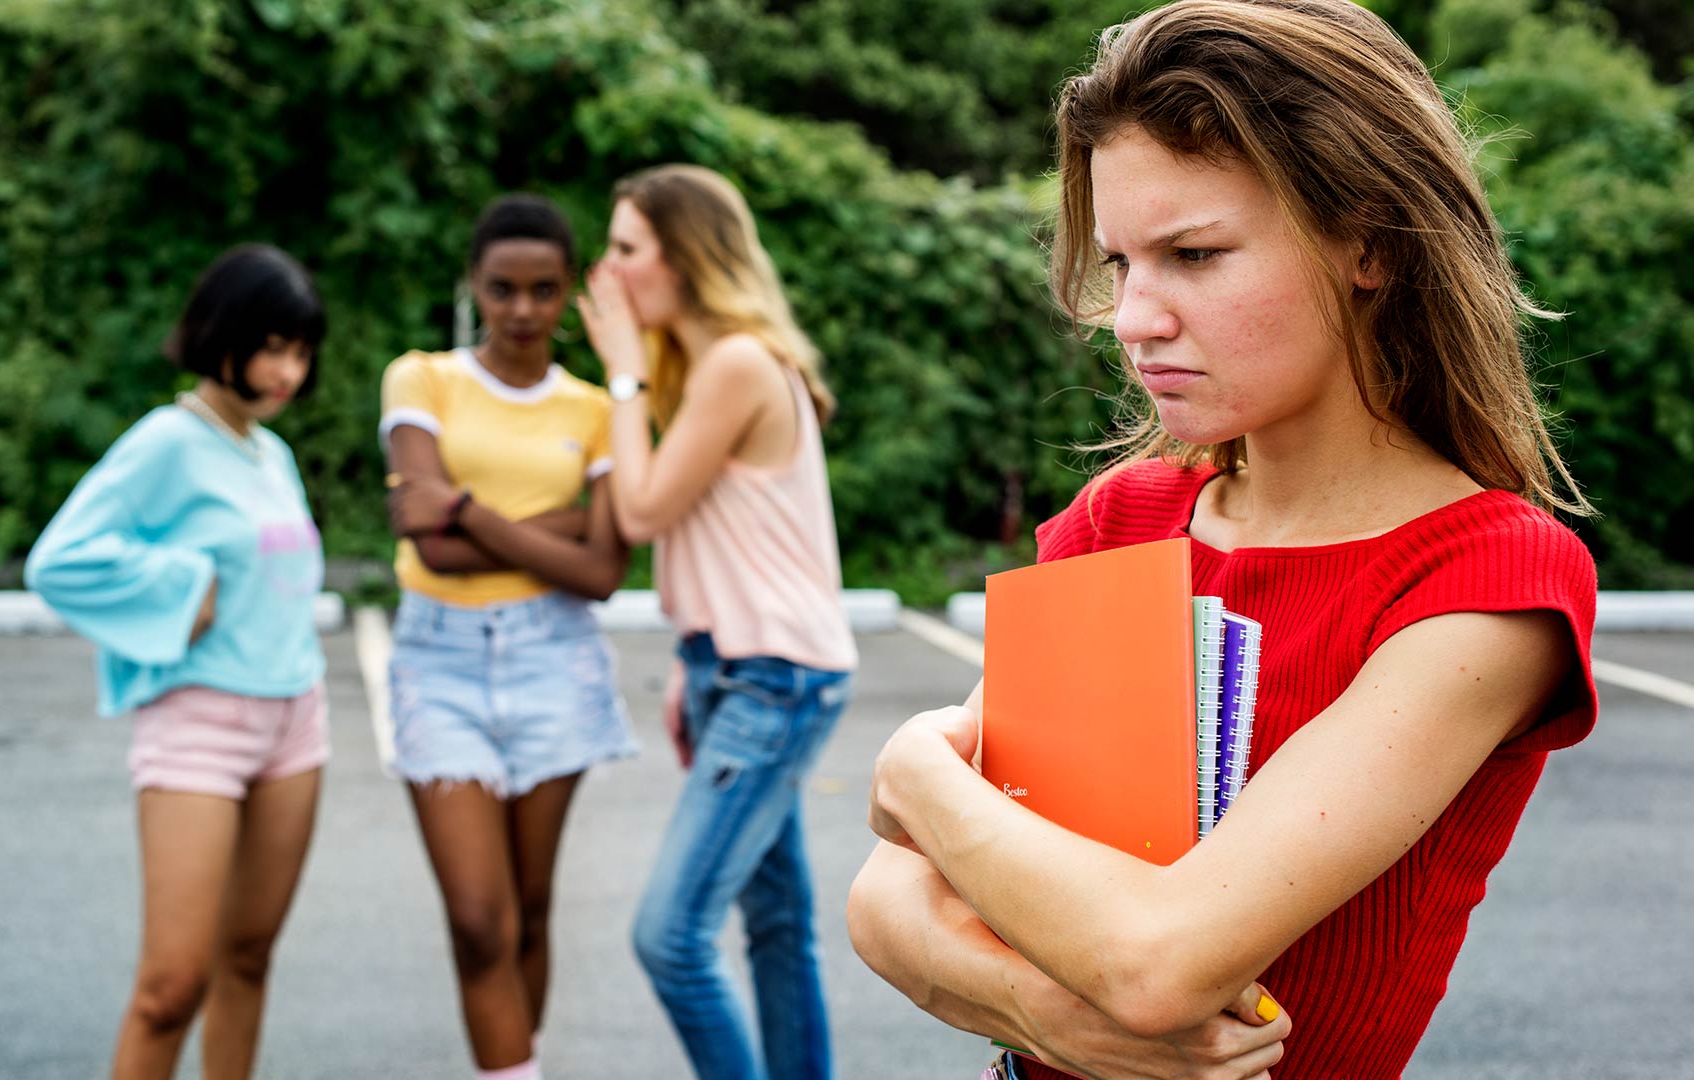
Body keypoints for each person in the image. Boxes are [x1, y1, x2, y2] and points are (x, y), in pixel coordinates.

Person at [846, 2, 1603, 1078]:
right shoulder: (1122, 520)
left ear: (1373, 245)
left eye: (1194, 254)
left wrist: (918, 773)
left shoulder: (1488, 580)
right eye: (1122, 263)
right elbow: (884, 907)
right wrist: (1050, 1019)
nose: (1134, 317)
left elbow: (1160, 961)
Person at [575, 164, 857, 1080]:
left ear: (684, 257)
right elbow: (714, 535)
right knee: (776, 926)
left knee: (670, 938)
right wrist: (689, 661)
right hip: (736, 666)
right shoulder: (715, 364)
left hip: (773, 681)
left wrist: (620, 375)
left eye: (625, 248)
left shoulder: (736, 361)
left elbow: (645, 510)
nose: (607, 272)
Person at [24, 244, 330, 1080]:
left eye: (300, 352)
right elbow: (59, 560)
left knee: (249, 962)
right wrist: (178, 583)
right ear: (220, 335)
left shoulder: (273, 455)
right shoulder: (167, 442)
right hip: (201, 725)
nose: (286, 372)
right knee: (171, 986)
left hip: (295, 723)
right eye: (271, 347)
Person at [379, 194, 637, 1080]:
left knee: (529, 909)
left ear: (568, 292)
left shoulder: (596, 408)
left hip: (553, 662)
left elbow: (603, 574)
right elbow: (434, 550)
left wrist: (462, 505)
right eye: (502, 289)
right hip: (437, 663)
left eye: (542, 290)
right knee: (479, 921)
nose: (522, 310)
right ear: (474, 287)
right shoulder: (421, 379)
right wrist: (558, 524)